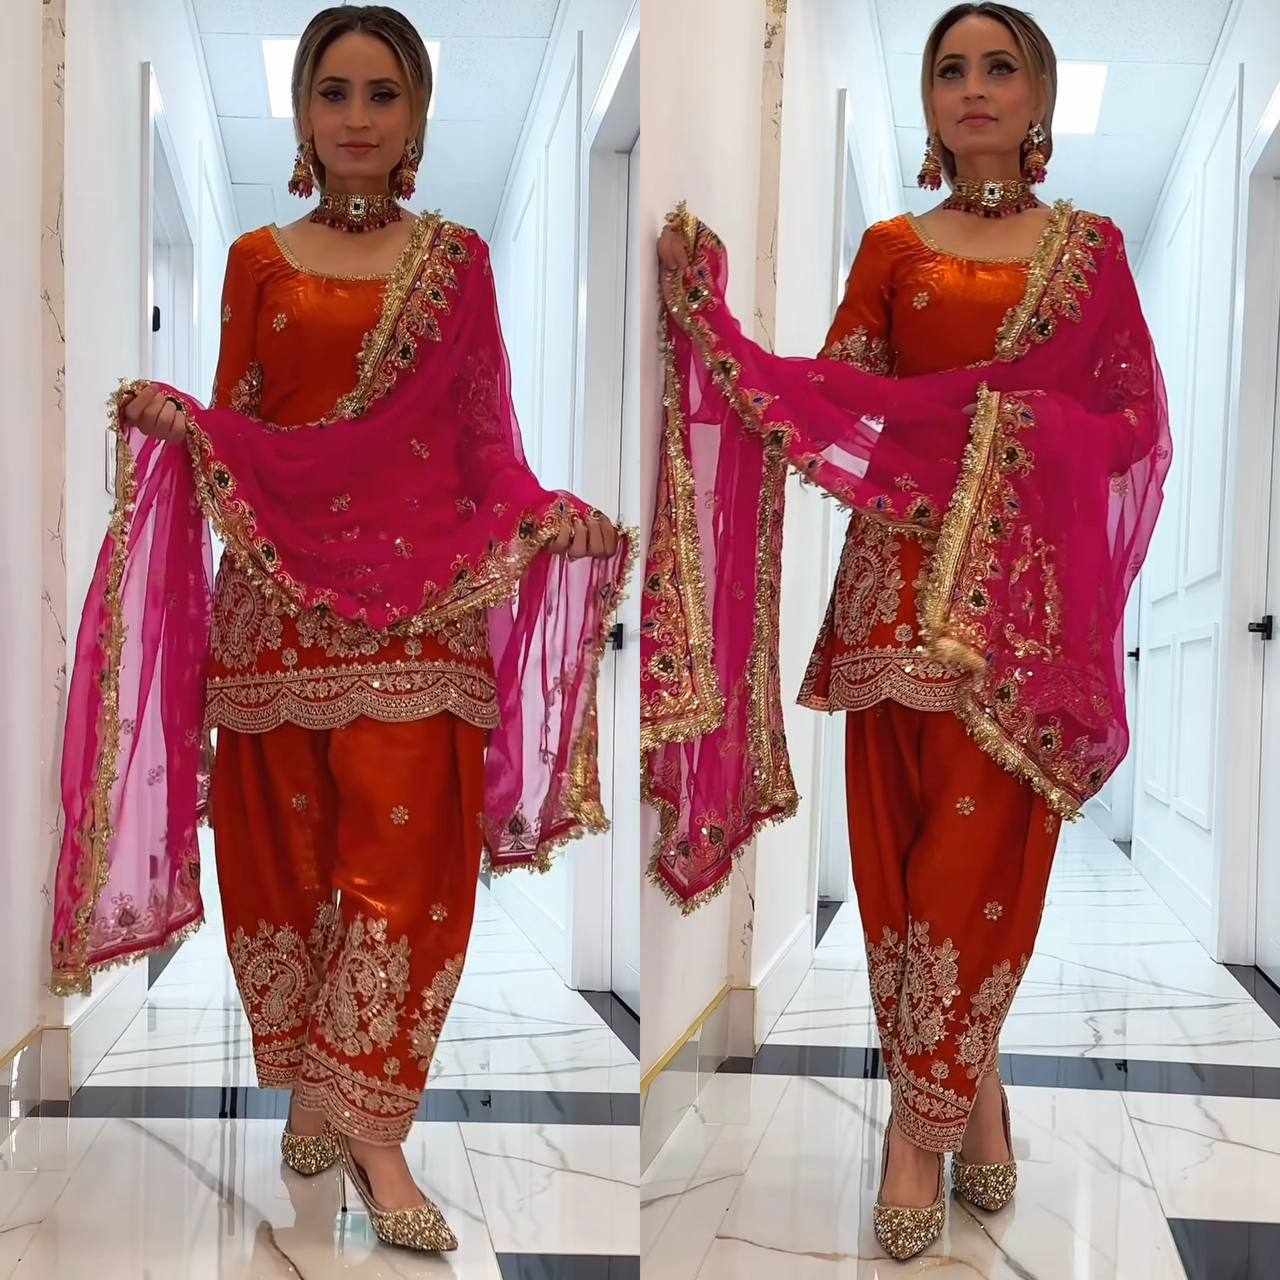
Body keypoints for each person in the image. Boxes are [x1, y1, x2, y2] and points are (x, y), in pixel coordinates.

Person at [52, 4, 627, 1255]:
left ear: (416, 115)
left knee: (409, 874)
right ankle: (316, 1083)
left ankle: (375, 1131)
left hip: (423, 609)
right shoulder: (257, 259)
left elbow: (484, 443)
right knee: (288, 862)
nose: (356, 118)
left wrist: (541, 511)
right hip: (279, 611)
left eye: (381, 94)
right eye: (333, 93)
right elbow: (247, 423)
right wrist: (190, 424)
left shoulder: (458, 263)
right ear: (303, 115)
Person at [649, 2, 1169, 1261]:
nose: (972, 87)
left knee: (974, 875)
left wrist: (1017, 430)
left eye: (999, 67)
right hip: (892, 600)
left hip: (1020, 621)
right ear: (929, 102)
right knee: (898, 866)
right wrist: (718, 335)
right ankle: (965, 1098)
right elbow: (837, 400)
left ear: (1037, 97)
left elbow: (1132, 426)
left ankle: (917, 1130)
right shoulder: (891, 246)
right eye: (948, 69)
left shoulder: (1091, 252)